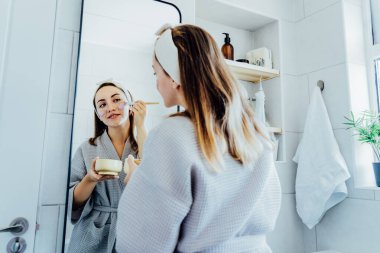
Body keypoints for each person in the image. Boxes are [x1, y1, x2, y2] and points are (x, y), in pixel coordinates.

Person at [116, 24, 281, 252]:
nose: (156, 82)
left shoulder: (172, 135)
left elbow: (142, 243)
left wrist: (138, 181)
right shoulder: (255, 133)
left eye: (157, 72)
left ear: (174, 77)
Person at [67, 82, 147, 253]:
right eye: (102, 105)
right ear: (98, 114)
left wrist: (141, 126)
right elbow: (72, 202)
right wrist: (90, 179)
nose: (110, 108)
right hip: (92, 233)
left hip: (135, 230)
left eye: (116, 100)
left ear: (130, 105)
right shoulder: (86, 149)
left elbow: (153, 177)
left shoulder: (145, 142)